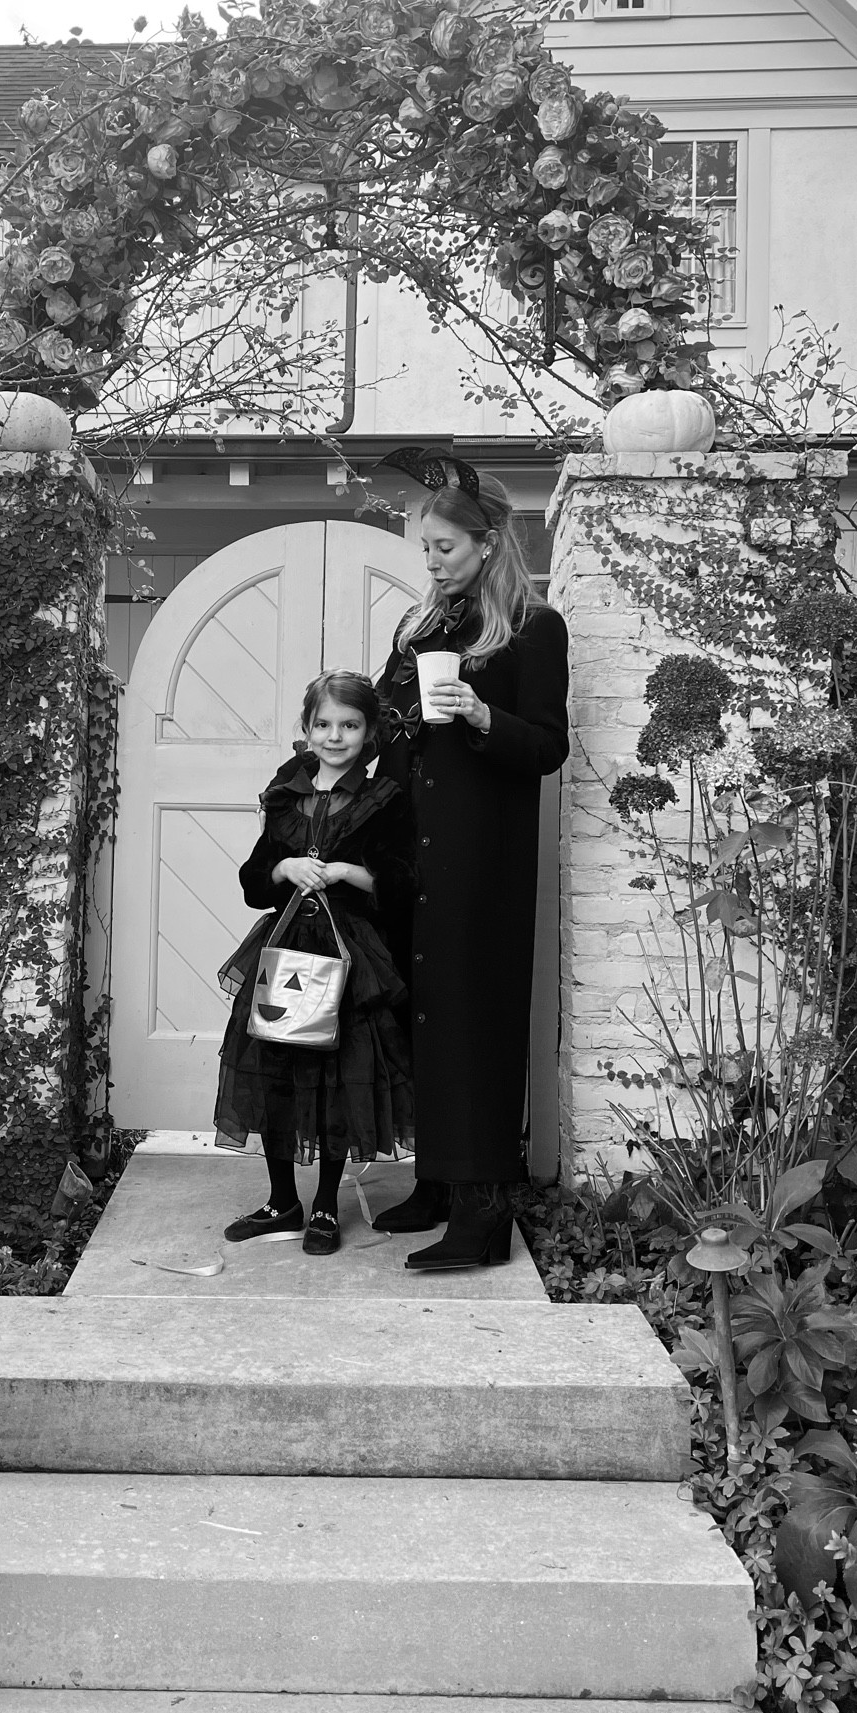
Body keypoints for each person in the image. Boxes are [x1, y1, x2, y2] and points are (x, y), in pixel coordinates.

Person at [372, 468, 569, 1270]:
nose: (433, 560)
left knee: (470, 1018)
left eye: (446, 546)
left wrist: (484, 715)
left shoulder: (534, 628)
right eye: (426, 548)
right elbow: (390, 728)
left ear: (488, 545)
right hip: (410, 846)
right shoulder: (420, 627)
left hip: (479, 856)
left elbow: (548, 748)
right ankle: (439, 1179)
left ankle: (484, 1208)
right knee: (416, 1011)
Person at [213, 671, 416, 1255]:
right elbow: (255, 880)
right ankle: (283, 1201)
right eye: (323, 724)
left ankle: (326, 1204)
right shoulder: (285, 796)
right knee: (274, 1071)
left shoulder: (384, 801)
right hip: (283, 953)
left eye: (349, 725)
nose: (335, 736)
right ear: (306, 731)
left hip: (347, 957)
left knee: (333, 1079)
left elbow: (404, 881)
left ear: (369, 731)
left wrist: (351, 874)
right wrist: (283, 870)